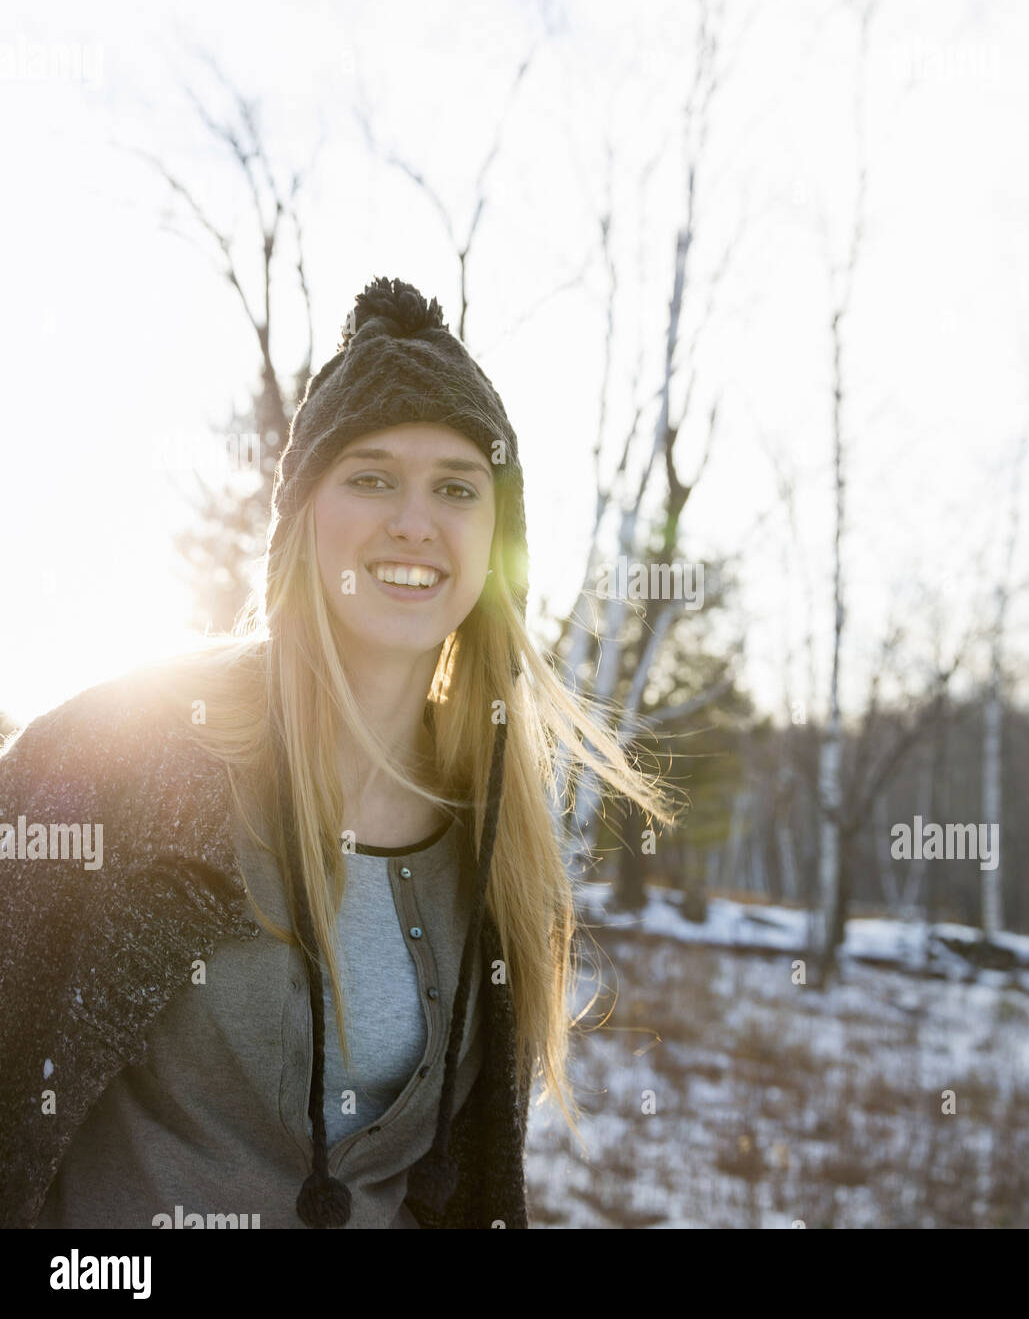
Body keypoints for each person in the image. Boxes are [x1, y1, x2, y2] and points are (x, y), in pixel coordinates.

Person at [0, 276, 681, 1228]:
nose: (415, 521)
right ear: (302, 519)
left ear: (495, 543)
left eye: (456, 488)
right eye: (371, 476)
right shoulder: (119, 756)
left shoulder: (498, 837)